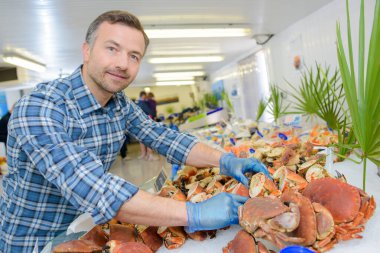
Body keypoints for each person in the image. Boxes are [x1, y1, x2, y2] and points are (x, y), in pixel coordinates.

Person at [0, 10, 271, 253]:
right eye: (112, 49)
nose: (123, 63)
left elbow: (165, 138)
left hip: (86, 230)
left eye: (134, 56)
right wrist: (194, 213)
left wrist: (224, 159)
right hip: (33, 242)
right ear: (86, 50)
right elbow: (94, 187)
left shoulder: (119, 105)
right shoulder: (40, 107)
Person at [135, 91, 156, 160]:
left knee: (142, 139)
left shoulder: (137, 102)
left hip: (139, 123)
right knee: (149, 138)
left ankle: (144, 154)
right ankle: (150, 155)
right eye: (145, 96)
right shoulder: (144, 103)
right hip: (146, 122)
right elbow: (151, 112)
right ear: (143, 96)